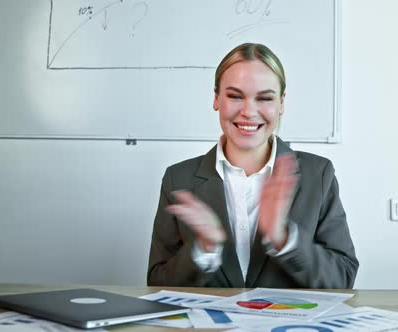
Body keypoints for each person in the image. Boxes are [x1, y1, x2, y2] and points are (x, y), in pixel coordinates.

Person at [147, 43, 359, 288]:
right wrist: (203, 251)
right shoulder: (179, 178)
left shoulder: (318, 174)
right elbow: (156, 283)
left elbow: (343, 279)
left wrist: (284, 239)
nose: (249, 111)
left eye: (265, 98)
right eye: (235, 96)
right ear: (217, 99)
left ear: (281, 103)